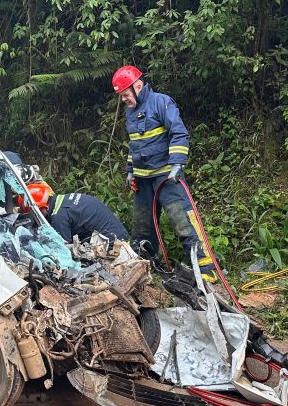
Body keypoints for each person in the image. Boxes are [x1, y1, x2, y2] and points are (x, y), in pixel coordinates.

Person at [110, 65, 215, 279]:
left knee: (183, 222)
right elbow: (135, 144)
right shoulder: (131, 113)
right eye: (121, 96)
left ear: (137, 86)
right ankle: (144, 271)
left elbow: (179, 133)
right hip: (143, 183)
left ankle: (207, 270)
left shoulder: (161, 102)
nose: (123, 100)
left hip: (166, 178)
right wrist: (130, 171)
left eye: (125, 94)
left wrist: (177, 164)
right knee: (142, 229)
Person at [28, 182, 128, 244]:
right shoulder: (64, 198)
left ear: (43, 208)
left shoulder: (59, 218)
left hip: (112, 246)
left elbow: (64, 250)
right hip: (120, 235)